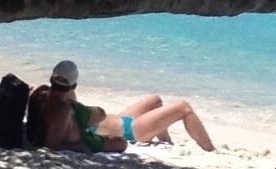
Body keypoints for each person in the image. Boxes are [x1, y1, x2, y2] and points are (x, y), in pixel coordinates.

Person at [39, 57, 214, 152]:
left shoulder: (51, 100)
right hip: (132, 131)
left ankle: (167, 143)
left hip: (121, 119)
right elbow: (56, 144)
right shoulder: (64, 112)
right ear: (74, 84)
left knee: (155, 100)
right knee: (184, 107)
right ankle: (210, 150)